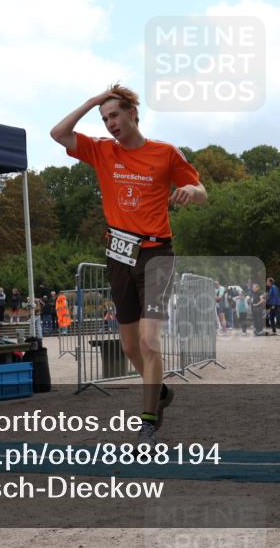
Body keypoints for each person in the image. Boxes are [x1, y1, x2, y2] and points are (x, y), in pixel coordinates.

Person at [51, 84, 206, 445]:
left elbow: (202, 191)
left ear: (133, 113)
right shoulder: (102, 151)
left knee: (150, 341)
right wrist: (90, 101)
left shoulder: (165, 153)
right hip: (118, 256)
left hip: (156, 255)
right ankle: (160, 392)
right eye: (104, 118)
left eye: (115, 115)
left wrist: (190, 192)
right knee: (130, 348)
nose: (109, 124)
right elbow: (58, 134)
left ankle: (148, 421)